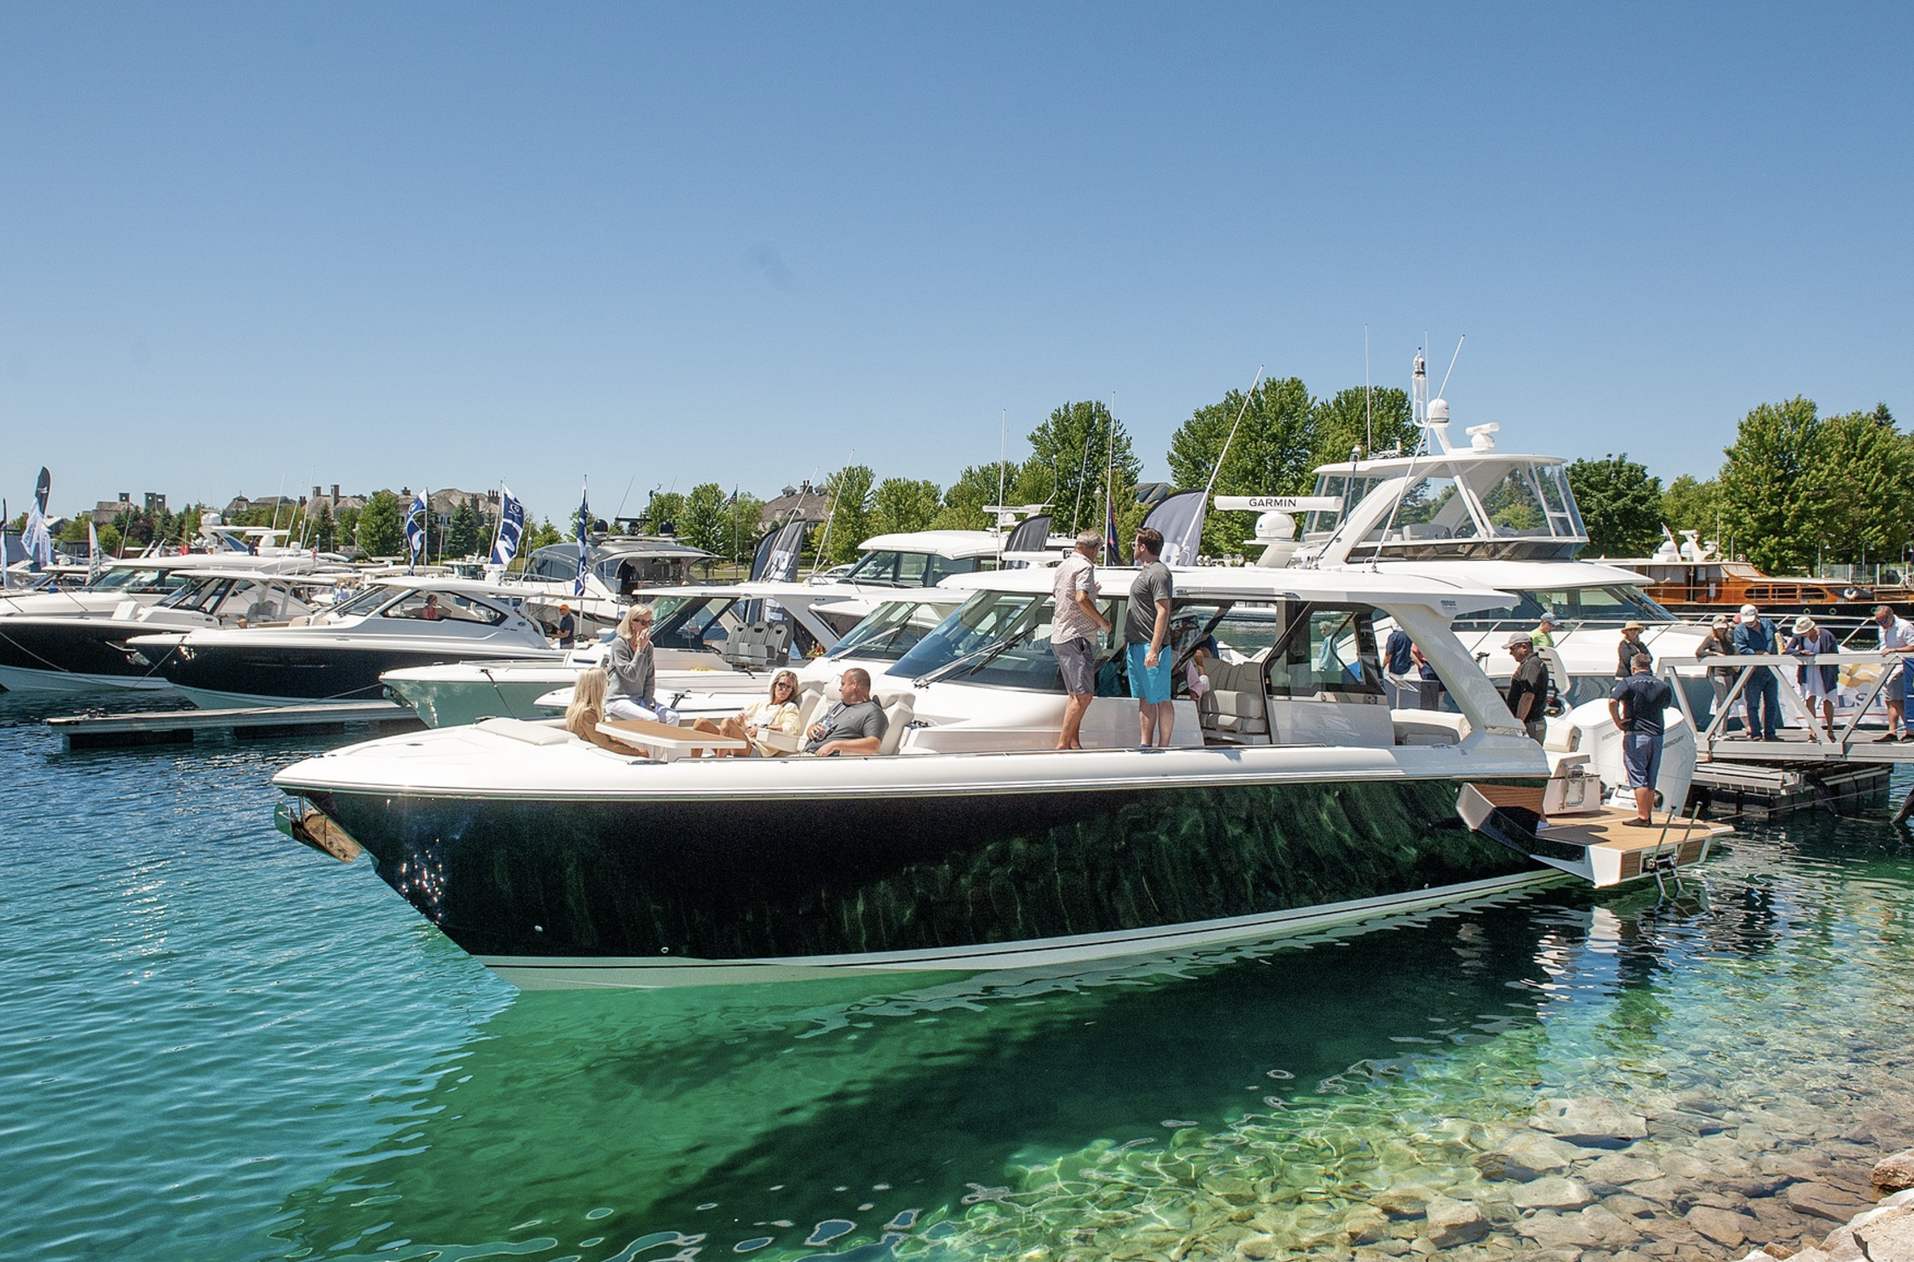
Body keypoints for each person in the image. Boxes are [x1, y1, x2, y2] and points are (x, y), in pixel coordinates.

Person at [1050, 530, 1110, 750]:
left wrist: (1091, 591)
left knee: (1075, 694)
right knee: (1084, 695)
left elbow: (1058, 594)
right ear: (1094, 549)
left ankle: (1074, 743)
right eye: (1099, 550)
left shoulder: (1062, 566)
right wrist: (1103, 622)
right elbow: (1080, 598)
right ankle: (1063, 745)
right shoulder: (1085, 567)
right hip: (1077, 636)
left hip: (1060, 635)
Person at [1608, 653, 1674, 826]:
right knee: (1651, 777)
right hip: (1657, 735)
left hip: (1636, 734)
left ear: (1633, 668)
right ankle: (1648, 815)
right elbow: (1665, 705)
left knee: (1638, 775)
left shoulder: (1628, 683)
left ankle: (1643, 817)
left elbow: (1612, 701)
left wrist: (1618, 722)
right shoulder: (1663, 685)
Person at [1125, 527, 1175, 748]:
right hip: (1137, 645)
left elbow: (1163, 610)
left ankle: (1163, 745)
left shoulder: (1158, 573)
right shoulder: (1146, 572)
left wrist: (1154, 649)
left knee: (1161, 698)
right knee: (1145, 698)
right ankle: (1145, 744)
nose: (1133, 547)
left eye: (1135, 544)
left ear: (1143, 547)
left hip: (1150, 645)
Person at [691, 669, 802, 756]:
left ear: (791, 692)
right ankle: (693, 765)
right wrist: (739, 722)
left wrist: (764, 728)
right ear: (775, 685)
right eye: (781, 685)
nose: (783, 690)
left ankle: (719, 763)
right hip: (741, 742)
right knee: (700, 723)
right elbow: (741, 723)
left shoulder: (789, 707)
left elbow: (790, 728)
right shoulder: (762, 704)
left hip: (756, 748)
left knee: (727, 723)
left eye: (788, 688)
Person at [605, 606, 674, 722]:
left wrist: (647, 702)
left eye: (649, 622)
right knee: (651, 719)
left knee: (673, 716)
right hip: (618, 699)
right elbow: (630, 674)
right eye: (643, 622)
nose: (647, 627)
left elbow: (649, 678)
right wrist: (639, 650)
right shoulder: (620, 644)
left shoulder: (649, 646)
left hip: (639, 699)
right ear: (631, 623)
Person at [803, 666, 888, 756]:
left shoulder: (872, 712)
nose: (840, 689)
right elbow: (815, 725)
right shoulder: (839, 705)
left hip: (824, 761)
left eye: (843, 684)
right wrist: (811, 729)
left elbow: (873, 745)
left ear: (854, 685)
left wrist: (835, 745)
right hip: (807, 755)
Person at [1784, 615, 1839, 740]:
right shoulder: (1799, 637)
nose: (1802, 635)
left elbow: (1834, 654)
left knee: (1828, 698)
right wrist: (1800, 652)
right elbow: (1788, 650)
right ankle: (1812, 728)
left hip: (1825, 671)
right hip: (1808, 671)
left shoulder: (1826, 635)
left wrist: (1834, 673)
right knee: (1809, 698)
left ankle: (1830, 729)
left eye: (1804, 632)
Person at [1732, 603, 1780, 741]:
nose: (1750, 624)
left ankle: (1770, 733)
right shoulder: (1740, 630)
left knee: (1771, 702)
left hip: (1772, 669)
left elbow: (1776, 637)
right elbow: (1742, 650)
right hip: (1753, 672)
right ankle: (1756, 733)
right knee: (1753, 704)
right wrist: (1759, 653)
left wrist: (1779, 651)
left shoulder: (1768, 623)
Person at [1693, 615, 1742, 733]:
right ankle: (1719, 731)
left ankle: (1722, 729)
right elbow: (1699, 652)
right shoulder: (1710, 639)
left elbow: (1736, 651)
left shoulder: (1729, 638)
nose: (1720, 630)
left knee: (1728, 701)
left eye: (1722, 628)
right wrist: (1714, 655)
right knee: (1722, 701)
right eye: (1718, 628)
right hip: (1717, 673)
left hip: (1729, 672)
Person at [1874, 604, 1914, 741]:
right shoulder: (1881, 627)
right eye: (1878, 621)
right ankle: (1892, 731)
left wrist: (1895, 651)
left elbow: (1913, 645)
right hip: (1886, 667)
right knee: (1889, 700)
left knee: (1898, 700)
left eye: (1883, 621)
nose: (1881, 624)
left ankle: (1910, 730)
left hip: (1900, 667)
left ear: (1891, 617)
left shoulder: (1905, 626)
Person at [562, 667, 624, 751]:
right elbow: (604, 744)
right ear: (597, 687)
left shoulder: (579, 709)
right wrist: (637, 752)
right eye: (606, 682)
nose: (608, 686)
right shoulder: (587, 713)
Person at [1503, 633, 1551, 742]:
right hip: (1530, 722)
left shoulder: (1531, 664)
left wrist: (1518, 724)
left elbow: (1528, 696)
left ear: (1524, 647)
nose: (1510, 653)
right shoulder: (1530, 663)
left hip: (1529, 724)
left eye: (1512, 648)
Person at [1383, 623, 1417, 708]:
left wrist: (1382, 665)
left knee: (1391, 689)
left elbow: (1388, 654)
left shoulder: (1393, 636)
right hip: (1405, 666)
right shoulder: (1409, 636)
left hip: (1394, 667)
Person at [1411, 642, 1444, 711]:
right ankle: (1427, 708)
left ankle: (1435, 706)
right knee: (1428, 688)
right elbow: (1413, 653)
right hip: (1427, 665)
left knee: (1441, 688)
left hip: (1440, 664)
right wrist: (1421, 666)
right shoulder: (1420, 638)